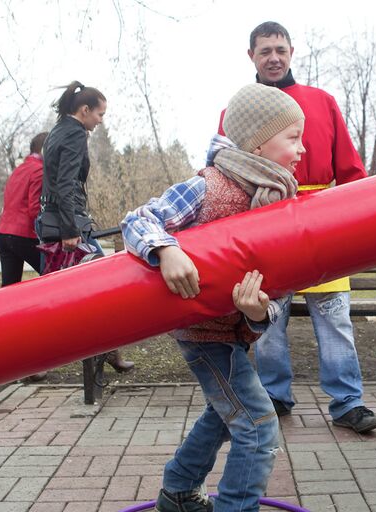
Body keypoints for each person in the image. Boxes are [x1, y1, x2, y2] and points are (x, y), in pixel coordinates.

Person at [122, 83, 304, 512]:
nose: (301, 150)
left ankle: (179, 491)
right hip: (204, 335)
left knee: (224, 415)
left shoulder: (280, 201)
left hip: (238, 333)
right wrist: (166, 250)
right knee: (258, 426)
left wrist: (261, 312)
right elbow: (140, 218)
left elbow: (279, 287)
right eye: (292, 137)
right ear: (260, 140)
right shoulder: (209, 186)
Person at [218, 21, 376, 433]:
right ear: (251, 56)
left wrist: (353, 224)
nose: (273, 58)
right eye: (264, 51)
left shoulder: (321, 102)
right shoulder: (232, 113)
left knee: (335, 320)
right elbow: (223, 172)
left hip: (322, 226)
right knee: (269, 324)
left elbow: (351, 171)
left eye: (280, 50)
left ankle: (348, 402)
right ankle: (275, 395)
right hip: (265, 228)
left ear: (291, 52)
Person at [39, 81, 134, 374]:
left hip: (55, 218)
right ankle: (104, 351)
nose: (101, 120)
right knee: (105, 284)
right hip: (67, 222)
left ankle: (105, 351)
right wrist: (70, 229)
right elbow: (65, 182)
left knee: (62, 293)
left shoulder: (58, 130)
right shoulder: (75, 134)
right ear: (84, 111)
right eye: (100, 114)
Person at [0, 132, 48, 286]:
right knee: (53, 275)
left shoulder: (19, 170)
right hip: (23, 235)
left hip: (3, 234)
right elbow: (35, 210)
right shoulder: (39, 171)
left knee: (9, 288)